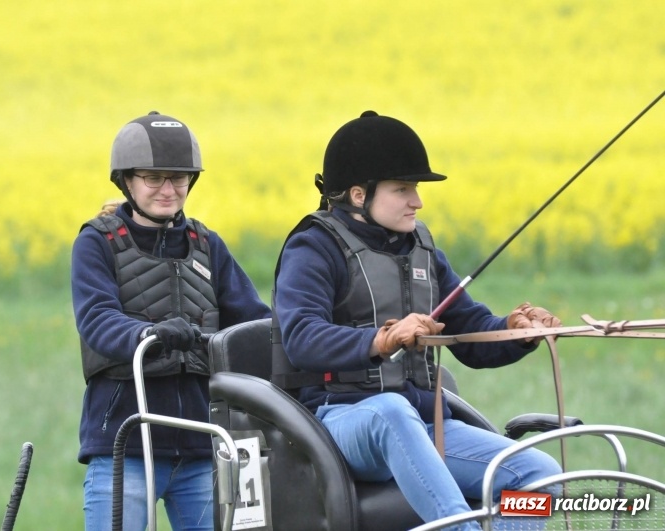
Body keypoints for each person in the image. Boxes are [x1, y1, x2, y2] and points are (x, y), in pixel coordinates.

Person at [273, 110, 562, 529]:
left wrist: (515, 331)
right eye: (402, 189)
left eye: (416, 189)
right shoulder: (313, 248)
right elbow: (302, 337)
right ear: (359, 195)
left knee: (541, 475)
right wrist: (382, 340)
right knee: (390, 411)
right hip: (340, 421)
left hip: (423, 424)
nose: (418, 201)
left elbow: (470, 330)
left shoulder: (422, 249)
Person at [71, 111, 270, 531]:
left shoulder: (208, 245)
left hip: (204, 444)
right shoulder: (97, 242)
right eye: (153, 178)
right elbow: (97, 319)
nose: (168, 189)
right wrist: (149, 334)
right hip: (126, 442)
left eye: (178, 178)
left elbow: (254, 325)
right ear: (127, 180)